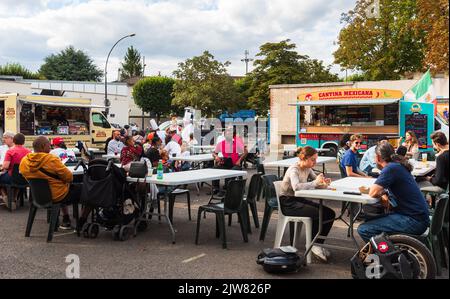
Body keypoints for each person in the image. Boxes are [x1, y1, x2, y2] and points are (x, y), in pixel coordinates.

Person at [357, 142, 430, 242]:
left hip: (413, 221)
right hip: (419, 217)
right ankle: (388, 248)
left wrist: (382, 193)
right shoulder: (397, 166)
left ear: (378, 157)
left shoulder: (390, 168)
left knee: (364, 229)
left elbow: (373, 192)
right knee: (369, 221)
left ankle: (390, 255)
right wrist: (384, 193)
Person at [20, 136, 91, 229]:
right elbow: (69, 178)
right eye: (49, 145)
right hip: (58, 195)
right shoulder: (51, 159)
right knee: (90, 191)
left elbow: (23, 174)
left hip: (38, 197)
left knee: (61, 185)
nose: (50, 147)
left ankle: (66, 217)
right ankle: (82, 221)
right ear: (43, 146)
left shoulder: (24, 161)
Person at [279, 146, 335, 262]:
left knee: (330, 213)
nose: (315, 162)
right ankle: (312, 245)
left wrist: (323, 183)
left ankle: (317, 244)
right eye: (313, 160)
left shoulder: (308, 168)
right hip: (288, 203)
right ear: (304, 158)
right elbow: (296, 187)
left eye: (316, 159)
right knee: (319, 213)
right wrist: (315, 182)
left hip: (299, 200)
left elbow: (316, 182)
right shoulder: (294, 169)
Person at [212, 127, 248, 194]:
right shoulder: (221, 143)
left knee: (231, 172)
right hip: (226, 163)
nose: (228, 135)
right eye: (227, 134)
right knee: (214, 169)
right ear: (224, 135)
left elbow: (245, 151)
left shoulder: (236, 143)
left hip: (235, 164)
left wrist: (239, 160)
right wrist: (216, 156)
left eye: (230, 134)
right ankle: (215, 188)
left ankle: (226, 189)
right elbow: (214, 153)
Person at [0, 133, 31, 204]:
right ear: (23, 142)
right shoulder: (29, 152)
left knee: (6, 177)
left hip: (13, 178)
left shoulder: (10, 151)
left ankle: (5, 197)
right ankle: (14, 199)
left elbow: (5, 166)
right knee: (17, 176)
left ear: (13, 140)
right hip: (25, 178)